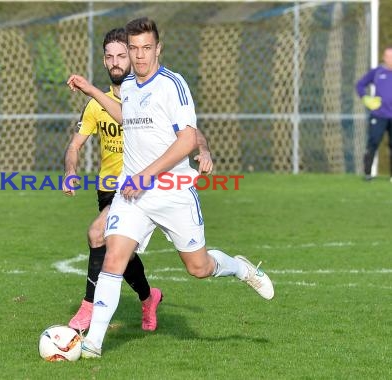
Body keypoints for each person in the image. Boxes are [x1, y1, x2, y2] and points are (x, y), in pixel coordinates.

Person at [67, 17, 274, 359]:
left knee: (199, 268)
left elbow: (187, 138)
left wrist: (147, 175)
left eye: (146, 48)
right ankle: (93, 343)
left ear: (158, 48)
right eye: (133, 48)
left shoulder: (172, 85)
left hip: (172, 192)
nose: (139, 55)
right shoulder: (130, 85)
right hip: (132, 194)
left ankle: (240, 267)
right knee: (113, 257)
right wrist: (91, 91)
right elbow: (125, 117)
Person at [62, 28, 162, 332]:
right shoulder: (96, 105)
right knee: (123, 253)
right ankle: (148, 297)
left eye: (122, 55)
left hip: (138, 188)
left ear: (132, 56)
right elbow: (74, 145)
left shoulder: (147, 98)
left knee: (97, 234)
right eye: (110, 56)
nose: (116, 62)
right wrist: (70, 172)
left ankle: (88, 308)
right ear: (105, 61)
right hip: (107, 191)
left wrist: (202, 148)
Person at [356, 46, 392, 181]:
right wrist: (365, 98)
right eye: (389, 57)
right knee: (373, 142)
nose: (391, 59)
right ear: (384, 58)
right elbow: (360, 84)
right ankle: (367, 174)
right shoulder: (377, 72)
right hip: (379, 115)